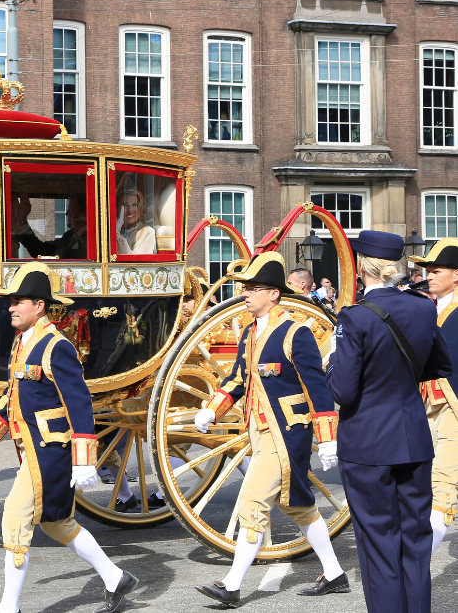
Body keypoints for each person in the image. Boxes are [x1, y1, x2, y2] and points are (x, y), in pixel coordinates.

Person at [0, 262, 139, 613]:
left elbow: (79, 403)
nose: (11, 306)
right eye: (11, 301)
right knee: (58, 524)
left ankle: (8, 608)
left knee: (13, 516)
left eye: (19, 301)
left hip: (51, 450)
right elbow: (12, 397)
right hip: (34, 449)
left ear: (39, 306)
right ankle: (116, 578)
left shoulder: (56, 346)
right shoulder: (22, 342)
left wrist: (85, 458)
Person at [192, 252, 346, 606]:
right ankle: (335, 573)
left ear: (273, 294)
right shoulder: (250, 331)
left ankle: (231, 585)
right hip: (259, 432)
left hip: (288, 433)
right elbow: (236, 379)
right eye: (246, 288)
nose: (246, 294)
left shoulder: (296, 333)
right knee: (299, 507)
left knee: (251, 502)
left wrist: (326, 440)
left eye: (254, 288)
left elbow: (316, 389)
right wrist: (213, 409)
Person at [327, 231, 453, 613]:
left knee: (379, 544)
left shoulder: (355, 316)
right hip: (413, 435)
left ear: (362, 266)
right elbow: (440, 365)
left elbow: (343, 392)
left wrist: (331, 360)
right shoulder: (422, 307)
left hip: (368, 442)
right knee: (414, 542)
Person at [409, 238, 458, 559]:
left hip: (453, 412)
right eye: (427, 269)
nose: (429, 275)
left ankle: (411, 568)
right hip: (428, 410)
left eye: (436, 270)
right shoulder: (431, 308)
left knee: (442, 489)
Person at [10, 194, 89, 259]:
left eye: (71, 210)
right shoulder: (69, 235)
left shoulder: (89, 239)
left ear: (84, 215)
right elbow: (43, 251)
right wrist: (22, 220)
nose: (67, 214)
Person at [116, 189, 156, 255]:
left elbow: (135, 262)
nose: (130, 210)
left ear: (140, 208)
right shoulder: (109, 231)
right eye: (125, 205)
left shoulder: (147, 231)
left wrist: (117, 234)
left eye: (135, 205)